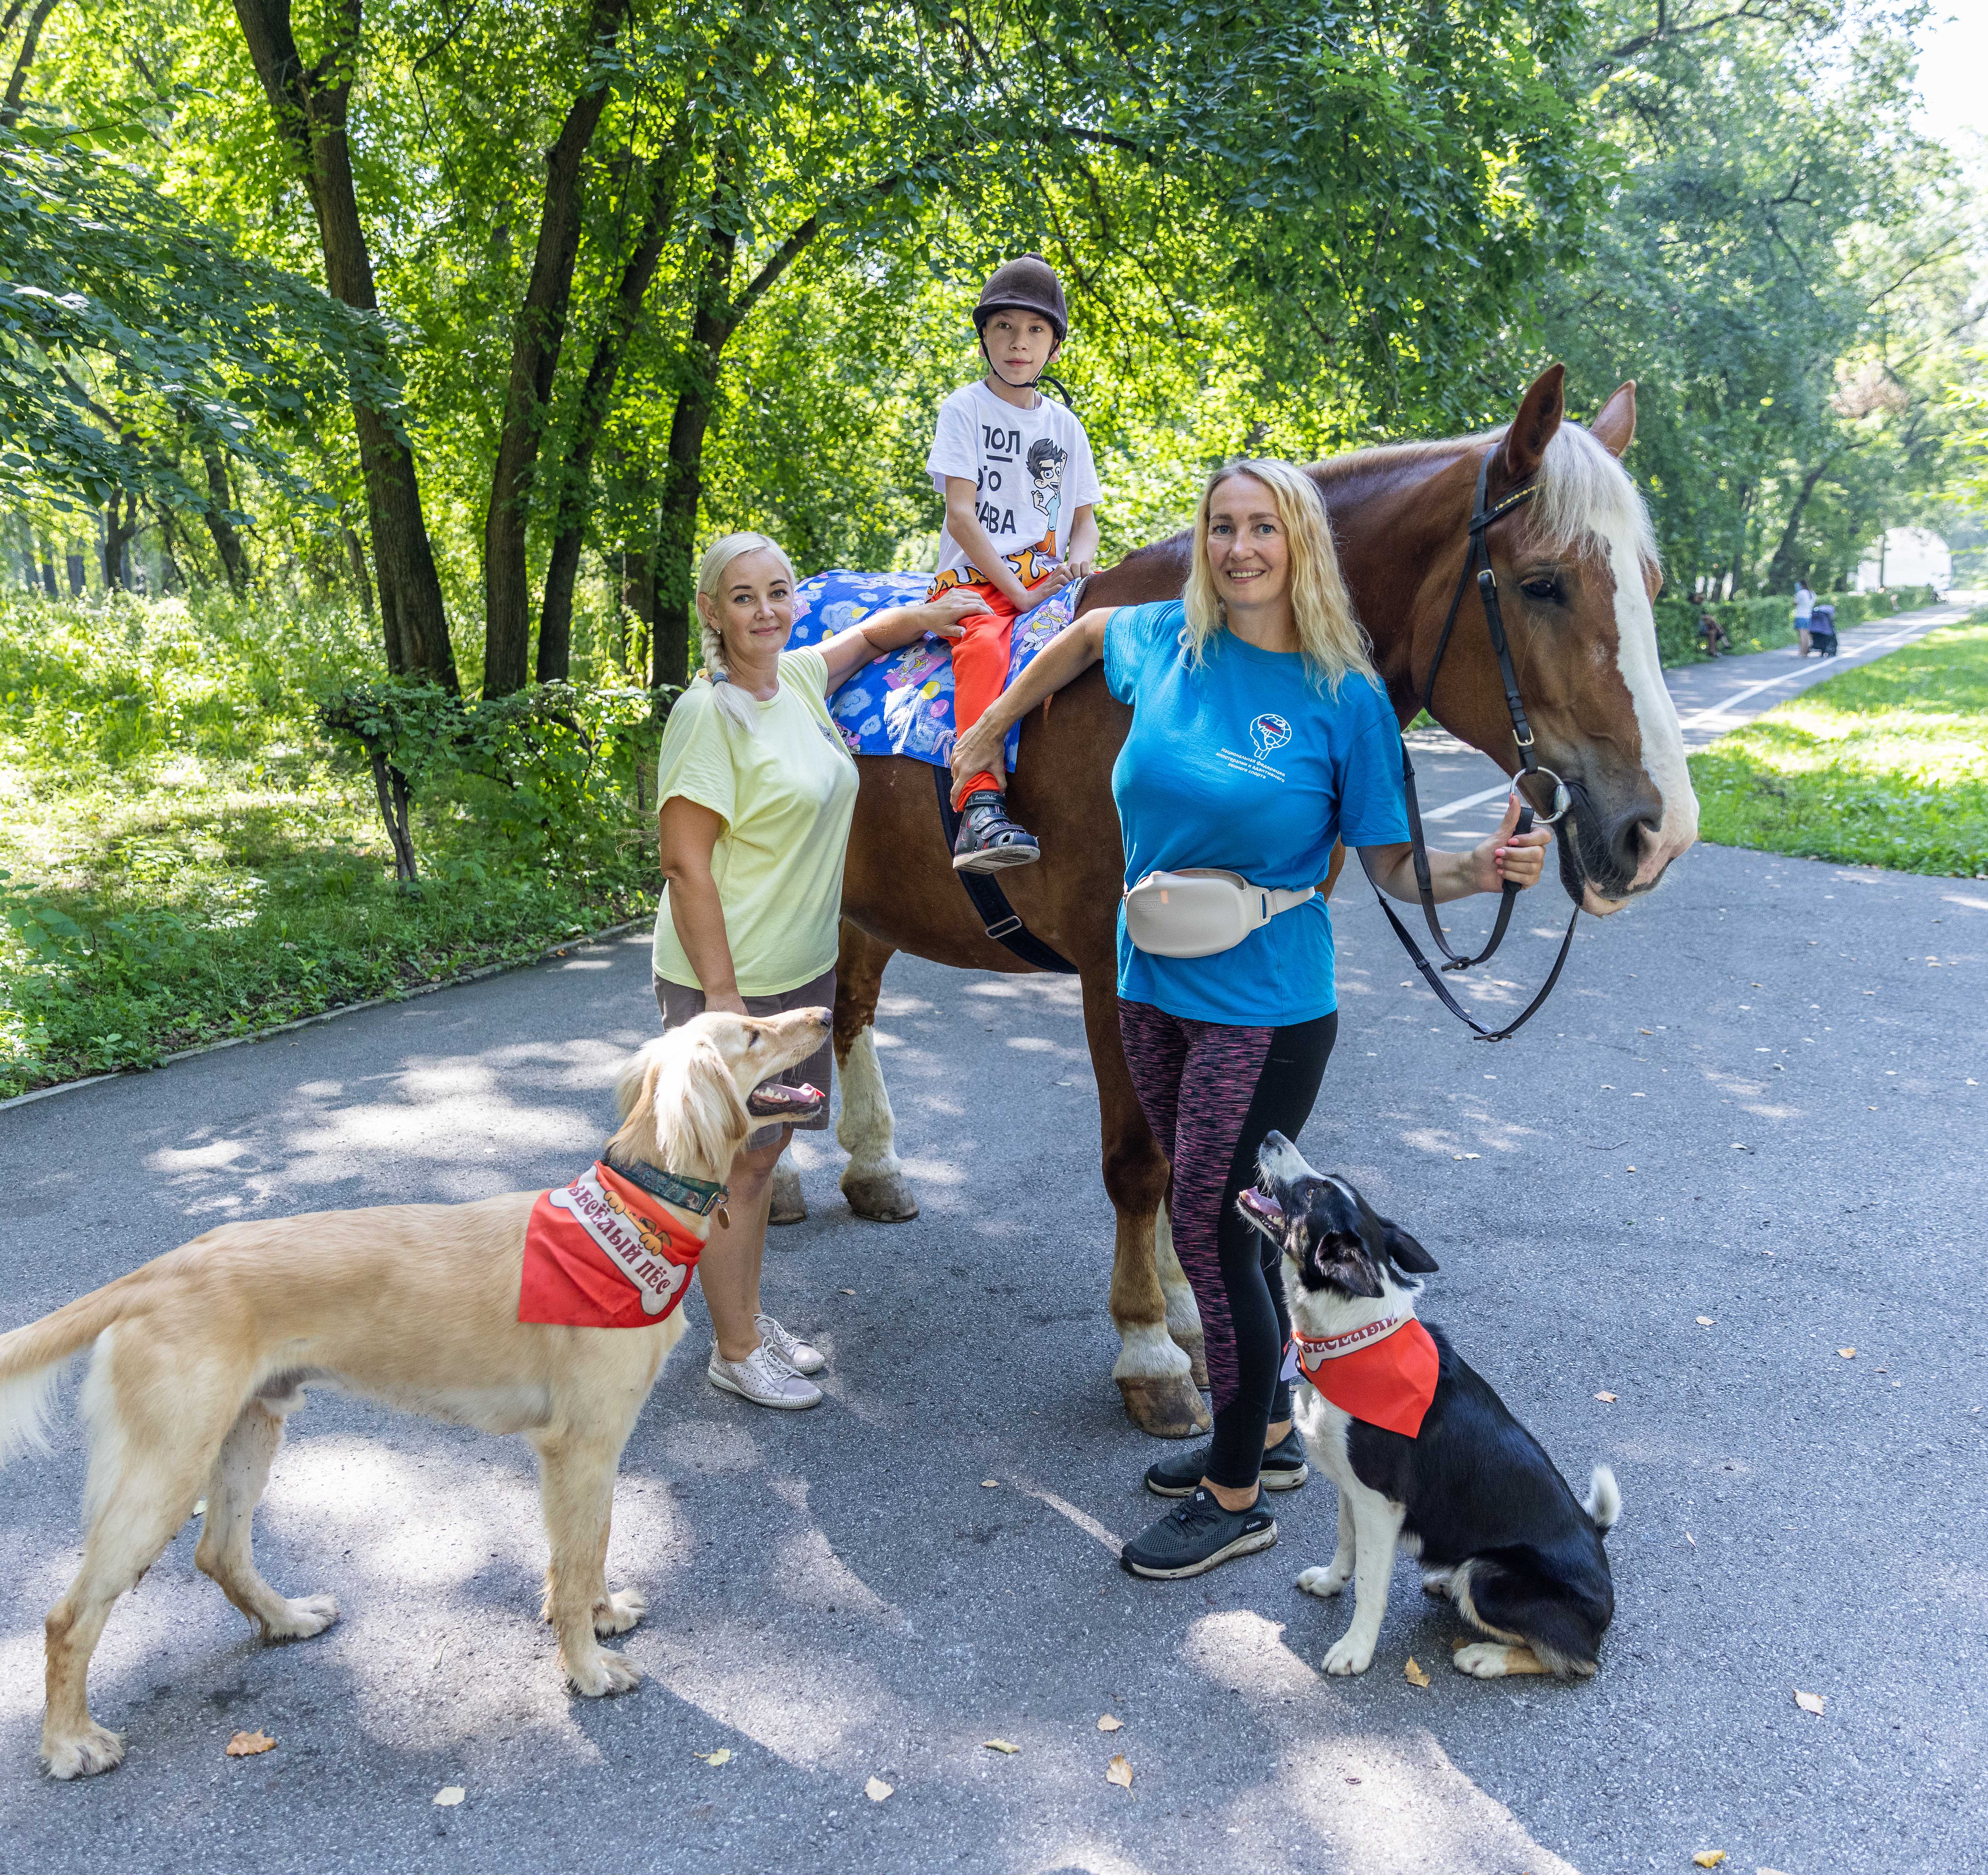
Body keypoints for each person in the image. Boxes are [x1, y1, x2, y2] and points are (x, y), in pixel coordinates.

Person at [949, 459, 1550, 1578]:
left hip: (1267, 1004)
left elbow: (1389, 866)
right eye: (1220, 528)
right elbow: (1080, 640)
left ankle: (1237, 1494)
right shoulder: (1167, 645)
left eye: (1261, 529)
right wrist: (991, 725)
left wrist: (1480, 869)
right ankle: (1266, 1432)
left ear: (1300, 545)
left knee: (1215, 1241)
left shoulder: (1345, 697)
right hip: (1149, 983)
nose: (1237, 549)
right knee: (1210, 1221)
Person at [657, 532, 989, 1411]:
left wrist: (929, 613)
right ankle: (733, 1348)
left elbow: (870, 641)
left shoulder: (797, 681)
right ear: (710, 611)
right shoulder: (708, 713)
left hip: (800, 973)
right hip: (731, 980)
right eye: (742, 596)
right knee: (736, 1163)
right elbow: (687, 866)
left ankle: (746, 1316)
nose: (764, 610)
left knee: (763, 1159)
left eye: (778, 592)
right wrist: (724, 1008)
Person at [929, 255, 1102, 875]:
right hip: (981, 577)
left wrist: (1080, 556)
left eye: (1034, 330)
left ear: (1054, 346)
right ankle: (977, 801)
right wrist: (1016, 594)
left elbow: (1083, 519)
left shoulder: (1065, 427)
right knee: (981, 648)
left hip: (1051, 579)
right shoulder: (964, 411)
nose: (1017, 342)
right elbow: (961, 516)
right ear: (984, 336)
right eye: (1003, 326)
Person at [1790, 579, 1816, 657]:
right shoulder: (1812, 593)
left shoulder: (1801, 593)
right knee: (1807, 634)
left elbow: (1795, 603)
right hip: (1808, 615)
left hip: (1801, 616)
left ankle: (1802, 652)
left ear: (1801, 585)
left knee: (1802, 635)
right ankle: (1806, 650)